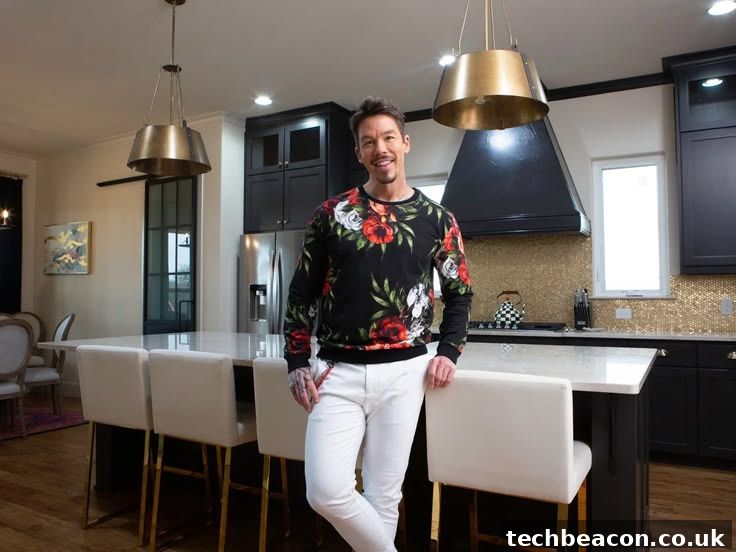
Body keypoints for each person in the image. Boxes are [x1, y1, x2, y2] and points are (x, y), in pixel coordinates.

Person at [283, 97, 472, 551]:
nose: (380, 148)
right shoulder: (331, 214)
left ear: (405, 143)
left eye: (388, 138)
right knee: (325, 491)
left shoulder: (437, 219)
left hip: (406, 372)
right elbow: (302, 292)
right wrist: (296, 360)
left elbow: (460, 292)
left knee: (385, 496)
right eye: (368, 142)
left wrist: (449, 351)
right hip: (336, 372)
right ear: (359, 153)